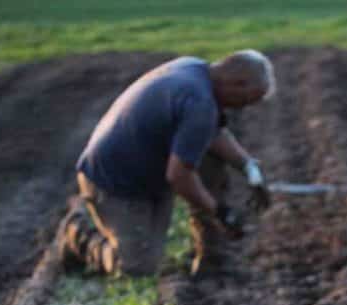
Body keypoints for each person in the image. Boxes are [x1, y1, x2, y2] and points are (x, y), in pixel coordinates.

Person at [57, 49, 275, 277]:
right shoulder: (199, 103)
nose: (244, 108)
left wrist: (249, 167)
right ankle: (77, 234)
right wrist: (221, 212)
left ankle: (212, 256)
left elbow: (212, 133)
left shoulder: (194, 68)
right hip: (113, 183)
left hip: (147, 176)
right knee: (136, 267)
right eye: (246, 100)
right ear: (236, 83)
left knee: (211, 158)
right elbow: (179, 176)